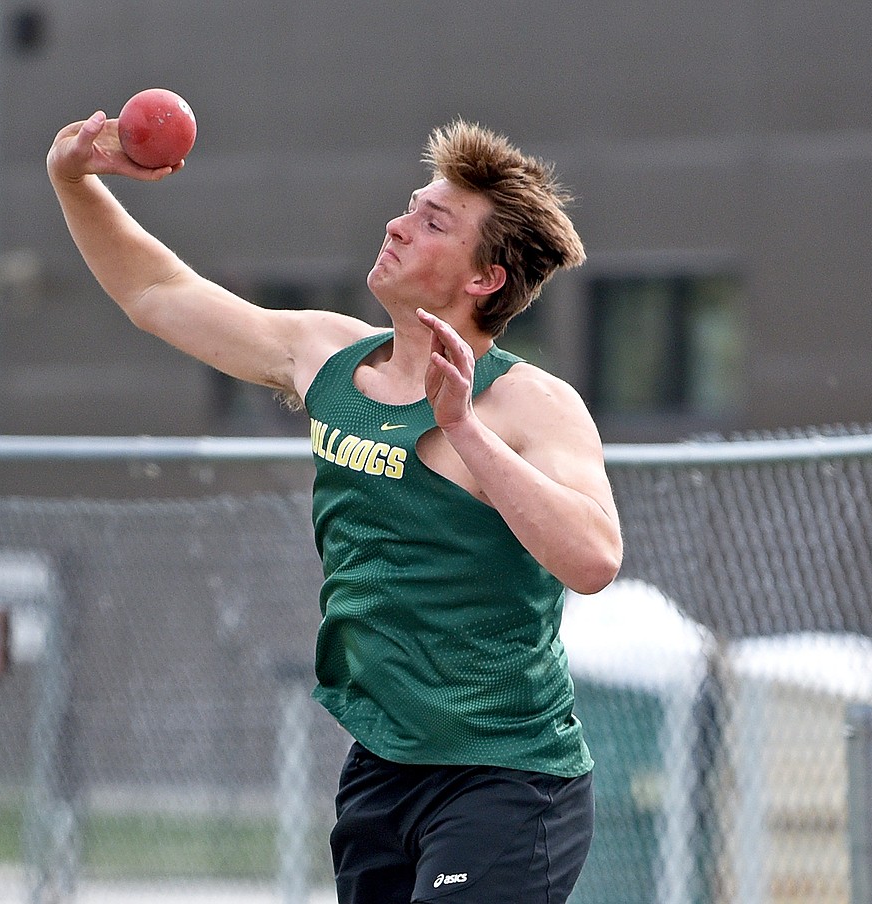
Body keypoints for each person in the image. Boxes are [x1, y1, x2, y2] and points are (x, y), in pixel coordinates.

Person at [47, 111, 623, 904]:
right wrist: (71, 181)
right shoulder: (325, 355)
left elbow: (593, 559)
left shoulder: (531, 406)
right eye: (410, 205)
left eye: (432, 222)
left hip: (506, 777)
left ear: (483, 277)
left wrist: (462, 429)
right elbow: (156, 290)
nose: (397, 223)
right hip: (382, 768)